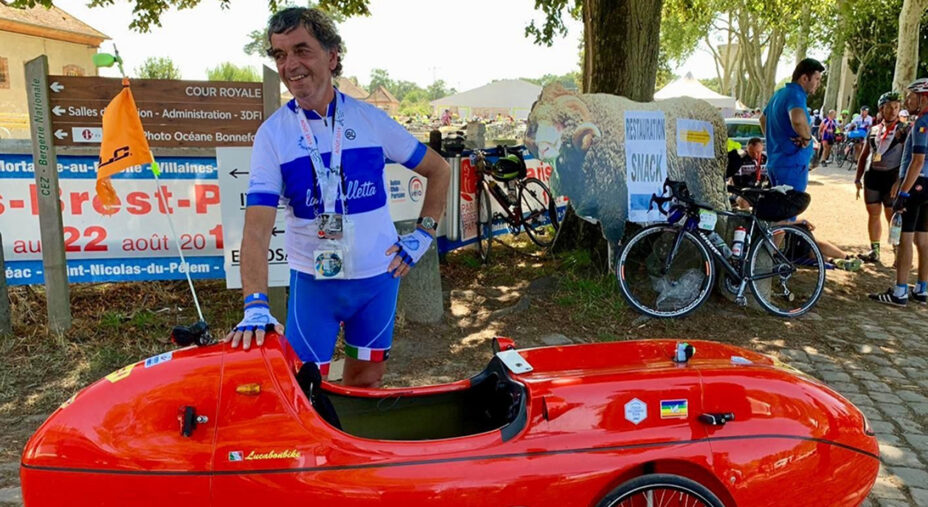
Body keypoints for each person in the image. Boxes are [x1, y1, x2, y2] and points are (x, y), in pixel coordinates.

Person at [225, 7, 451, 385]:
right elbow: (257, 229)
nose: (290, 65)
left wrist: (423, 235)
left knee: (367, 381)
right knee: (306, 388)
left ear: (332, 56)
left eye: (301, 50)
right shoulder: (273, 134)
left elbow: (439, 170)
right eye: (280, 54)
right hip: (315, 286)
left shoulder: (369, 119)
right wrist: (255, 304)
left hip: (378, 280)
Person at [869, 78, 928, 306]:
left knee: (906, 238)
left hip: (918, 184)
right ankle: (922, 287)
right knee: (923, 239)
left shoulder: (922, 122)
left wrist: (903, 191)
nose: (906, 101)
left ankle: (900, 290)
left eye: (911, 96)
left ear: (923, 98)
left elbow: (917, 160)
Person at [855, 91, 908, 263]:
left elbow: (908, 158)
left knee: (892, 216)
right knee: (873, 214)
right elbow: (864, 155)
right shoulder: (874, 129)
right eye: (889, 107)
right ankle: (875, 250)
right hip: (873, 176)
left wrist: (901, 181)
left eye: (896, 108)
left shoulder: (904, 129)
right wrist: (857, 178)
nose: (892, 111)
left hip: (892, 177)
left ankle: (897, 252)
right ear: (881, 109)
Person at [760, 58, 824, 198]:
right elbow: (797, 119)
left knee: (778, 212)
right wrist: (807, 138)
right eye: (817, 79)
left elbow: (763, 119)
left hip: (777, 162)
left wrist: (776, 140)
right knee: (787, 214)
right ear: (804, 78)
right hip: (791, 164)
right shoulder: (796, 95)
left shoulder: (779, 94)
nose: (818, 84)